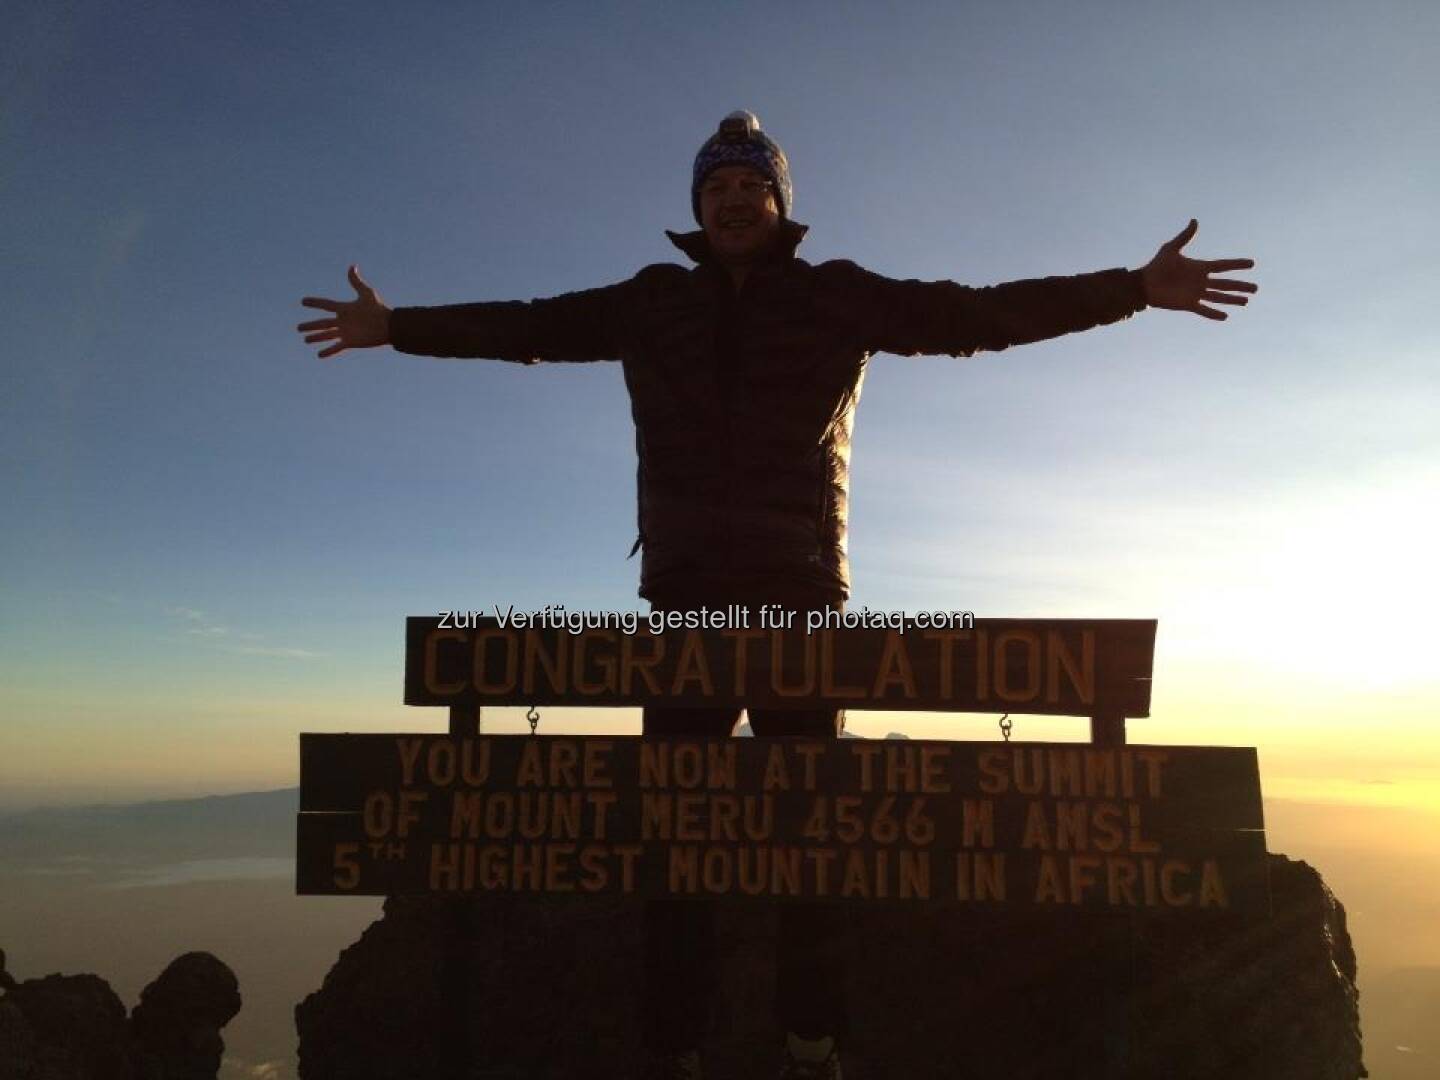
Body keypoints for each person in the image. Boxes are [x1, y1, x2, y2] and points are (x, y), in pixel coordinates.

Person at [297, 111, 1255, 1080]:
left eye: (751, 186)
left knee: (815, 840)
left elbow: (977, 315)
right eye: (715, 188)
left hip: (800, 598)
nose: (734, 200)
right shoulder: (648, 301)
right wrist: (396, 329)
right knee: (676, 838)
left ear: (779, 202)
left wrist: (1133, 290)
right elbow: (529, 326)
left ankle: (811, 1043)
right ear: (696, 209)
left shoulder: (835, 296)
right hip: (685, 607)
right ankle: (676, 1048)